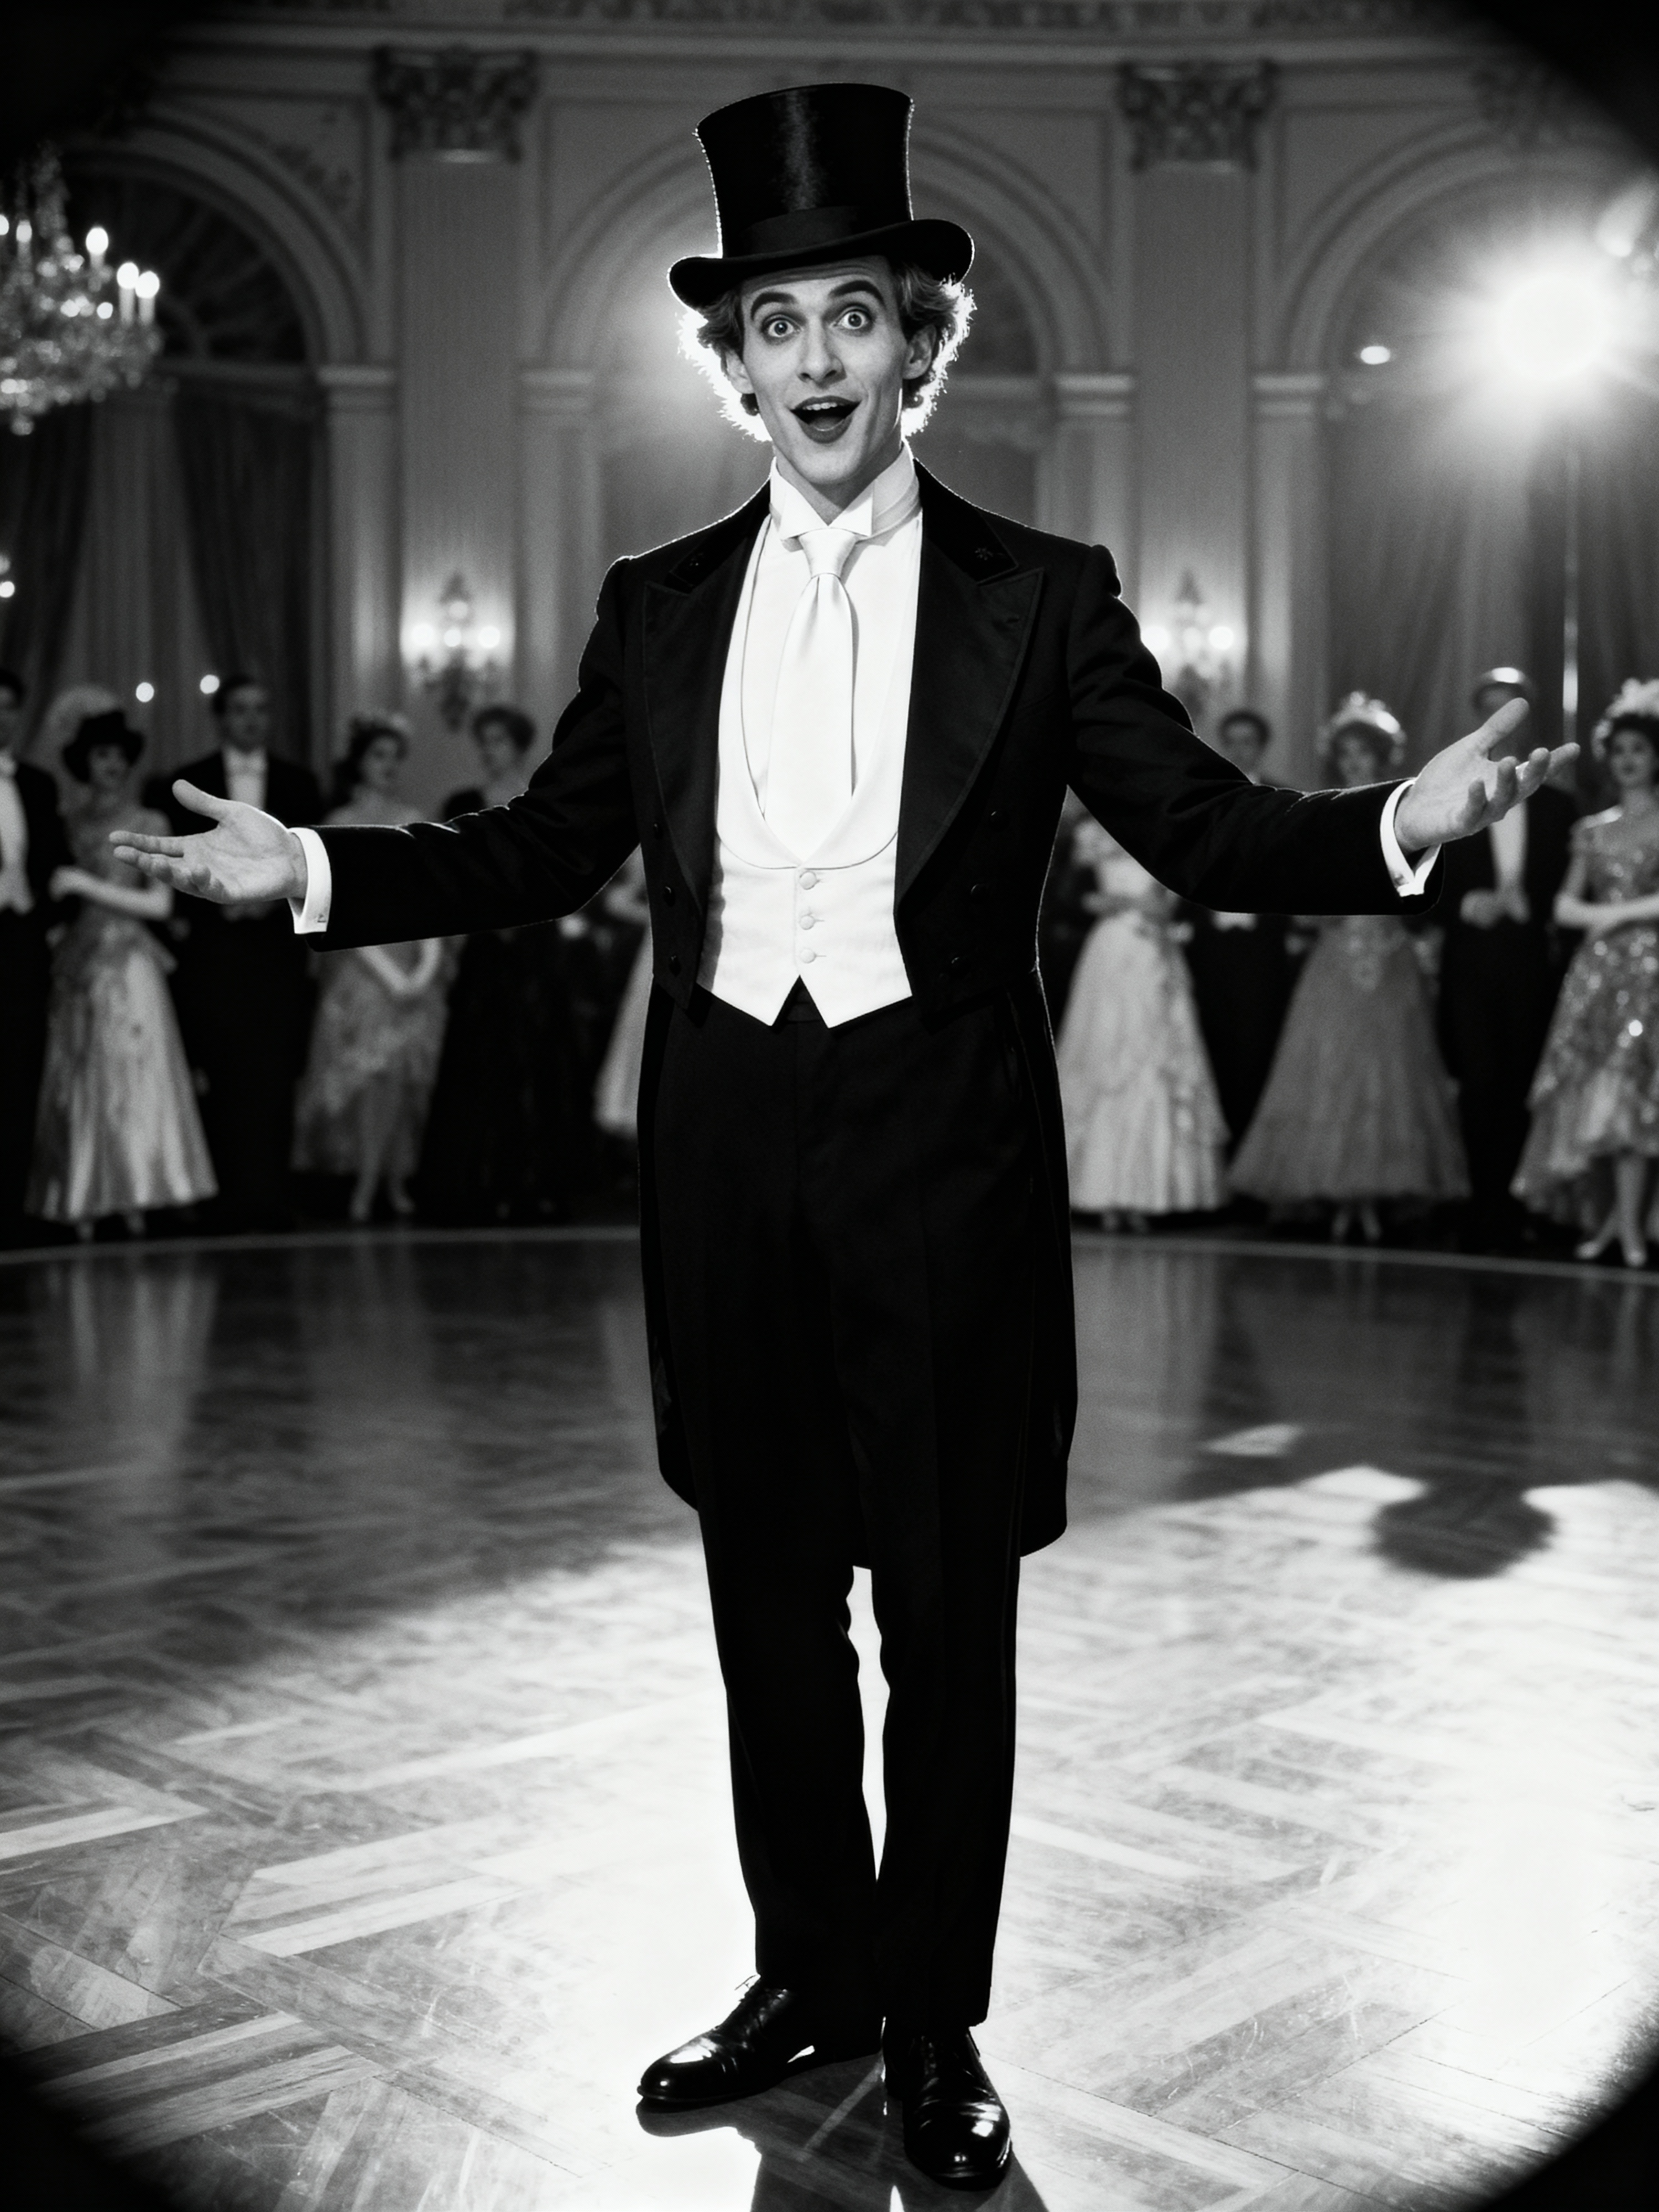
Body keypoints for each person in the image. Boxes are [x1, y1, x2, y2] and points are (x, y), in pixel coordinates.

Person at [114, 82, 1573, 2193]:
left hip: (946, 1159)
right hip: (724, 1152)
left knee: (949, 1615)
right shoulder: (654, 602)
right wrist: (323, 869)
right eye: (775, 324)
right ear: (733, 361)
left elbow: (1198, 823)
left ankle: (931, 2011)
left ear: (917, 345)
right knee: (766, 1600)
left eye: (853, 317)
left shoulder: (1042, 595)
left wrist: (1391, 828)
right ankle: (805, 1969)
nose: (814, 359)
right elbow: (537, 845)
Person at [1230, 696, 1471, 1242]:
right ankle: (1337, 1196)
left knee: (1393, 1073)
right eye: (1346, 753)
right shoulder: (1320, 813)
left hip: (1391, 957)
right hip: (1337, 957)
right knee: (1330, 1069)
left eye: (1363, 752)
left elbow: (1430, 891)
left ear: (1382, 756)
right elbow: (1298, 898)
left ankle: (1378, 1198)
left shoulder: (1410, 809)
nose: (1354, 762)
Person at [27, 709, 216, 1237]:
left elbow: (161, 905)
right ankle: (84, 1194)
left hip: (132, 962)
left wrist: (84, 885)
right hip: (80, 963)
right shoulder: (68, 822)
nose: (112, 765)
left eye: (119, 755)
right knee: (82, 1075)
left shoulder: (151, 822)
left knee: (137, 1073)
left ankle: (139, 1191)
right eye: (101, 755)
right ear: (84, 763)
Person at [148, 675, 321, 1230]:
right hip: (215, 950)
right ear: (222, 718)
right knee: (221, 1068)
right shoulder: (188, 783)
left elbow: (315, 861)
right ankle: (225, 1197)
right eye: (241, 709)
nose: (252, 719)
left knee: (276, 1070)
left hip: (278, 949)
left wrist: (272, 905)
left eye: (261, 709)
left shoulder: (300, 782)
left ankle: (272, 1196)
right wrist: (217, 905)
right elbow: (172, 863)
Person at [415, 705, 587, 1224]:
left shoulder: (543, 801)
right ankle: (473, 1188)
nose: (490, 750)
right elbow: (444, 881)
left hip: (536, 949)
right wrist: (450, 951)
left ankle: (537, 1186)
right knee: (478, 1066)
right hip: (483, 950)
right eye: (484, 740)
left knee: (538, 1063)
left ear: (519, 746)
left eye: (499, 741)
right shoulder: (462, 805)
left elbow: (569, 872)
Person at [1512, 681, 1659, 1266]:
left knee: (1636, 1094)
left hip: (1650, 971)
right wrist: (1606, 917)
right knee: (1599, 1095)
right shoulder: (1594, 829)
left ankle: (1631, 1229)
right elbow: (1563, 906)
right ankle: (1608, 1225)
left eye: (1639, 750)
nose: (1627, 760)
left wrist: (1613, 915)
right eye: (1619, 750)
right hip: (1598, 975)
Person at [1437, 668, 1577, 1250]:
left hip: (1529, 964)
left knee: (1521, 1082)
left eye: (1511, 710)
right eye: (1491, 709)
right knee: (1476, 1083)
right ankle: (1480, 1203)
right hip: (1469, 963)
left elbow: (1576, 884)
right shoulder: (1450, 796)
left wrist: (1533, 905)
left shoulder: (1559, 807)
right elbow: (1421, 879)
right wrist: (1463, 905)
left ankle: (1518, 1207)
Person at [294, 714, 451, 1225]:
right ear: (359, 763)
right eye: (379, 755)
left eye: (395, 757)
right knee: (374, 1078)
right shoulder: (338, 823)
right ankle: (367, 1182)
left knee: (402, 1081)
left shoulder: (415, 819)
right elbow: (331, 909)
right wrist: (388, 974)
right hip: (361, 967)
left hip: (410, 965)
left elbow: (431, 901)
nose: (389, 765)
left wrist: (425, 967)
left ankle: (393, 1179)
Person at [1056, 818, 1227, 1225]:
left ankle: (1149, 1193)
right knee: (1104, 1054)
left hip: (1154, 952)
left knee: (1158, 1059)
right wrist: (1102, 903)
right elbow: (1067, 898)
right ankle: (1100, 1192)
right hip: (1111, 952)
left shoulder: (1164, 829)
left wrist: (1157, 908)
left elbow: (1178, 901)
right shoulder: (1092, 834)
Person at [1181, 707, 1298, 1154]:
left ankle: (1250, 1159)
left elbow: (1294, 873)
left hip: (1261, 948)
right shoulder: (1199, 798)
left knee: (1258, 1050)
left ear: (1261, 747)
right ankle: (1219, 1159)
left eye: (1247, 741)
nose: (1238, 750)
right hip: (1207, 947)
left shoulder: (1282, 799)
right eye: (1231, 741)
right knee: (1212, 1048)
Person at [0, 666, 73, 1245]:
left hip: (22, 946)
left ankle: (14, 1208)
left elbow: (56, 861)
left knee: (22, 1073)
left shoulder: (37, 784)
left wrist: (46, 925)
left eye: (8, 707)